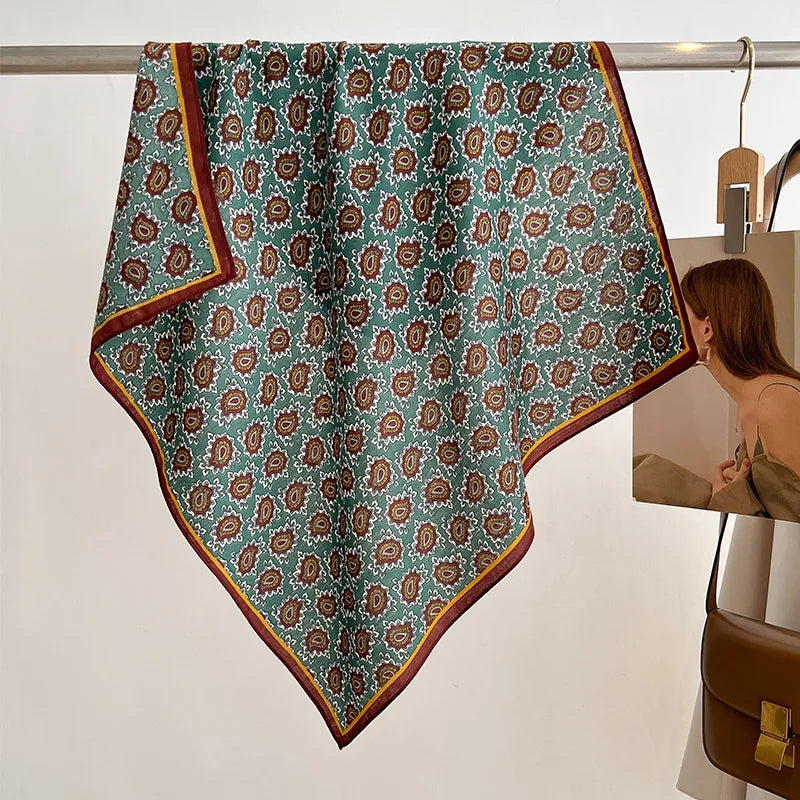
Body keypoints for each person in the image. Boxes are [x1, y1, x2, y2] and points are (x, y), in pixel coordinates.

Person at [680, 257, 800, 522]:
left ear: (708, 328)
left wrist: (731, 500)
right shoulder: (754, 399)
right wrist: (738, 493)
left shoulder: (775, 401)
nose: (671, 326)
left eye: (680, 314)